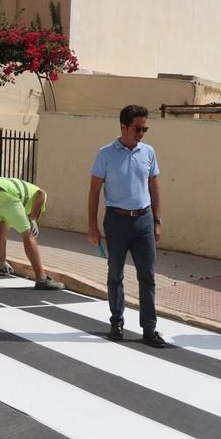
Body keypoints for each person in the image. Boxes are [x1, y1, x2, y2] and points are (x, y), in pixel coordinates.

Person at [87, 105, 165, 348]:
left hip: (143, 220)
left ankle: (149, 328)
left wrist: (157, 220)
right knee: (115, 274)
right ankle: (117, 321)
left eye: (144, 129)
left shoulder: (148, 152)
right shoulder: (105, 154)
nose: (141, 133)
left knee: (148, 276)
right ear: (123, 127)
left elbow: (154, 187)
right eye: (137, 128)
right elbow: (94, 191)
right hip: (116, 220)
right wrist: (92, 226)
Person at [0, 177, 64, 290]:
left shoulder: (12, 207)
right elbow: (41, 193)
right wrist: (33, 219)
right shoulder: (35, 197)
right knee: (29, 234)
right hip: (7, 193)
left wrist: (3, 261)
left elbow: (2, 235)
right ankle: (41, 279)